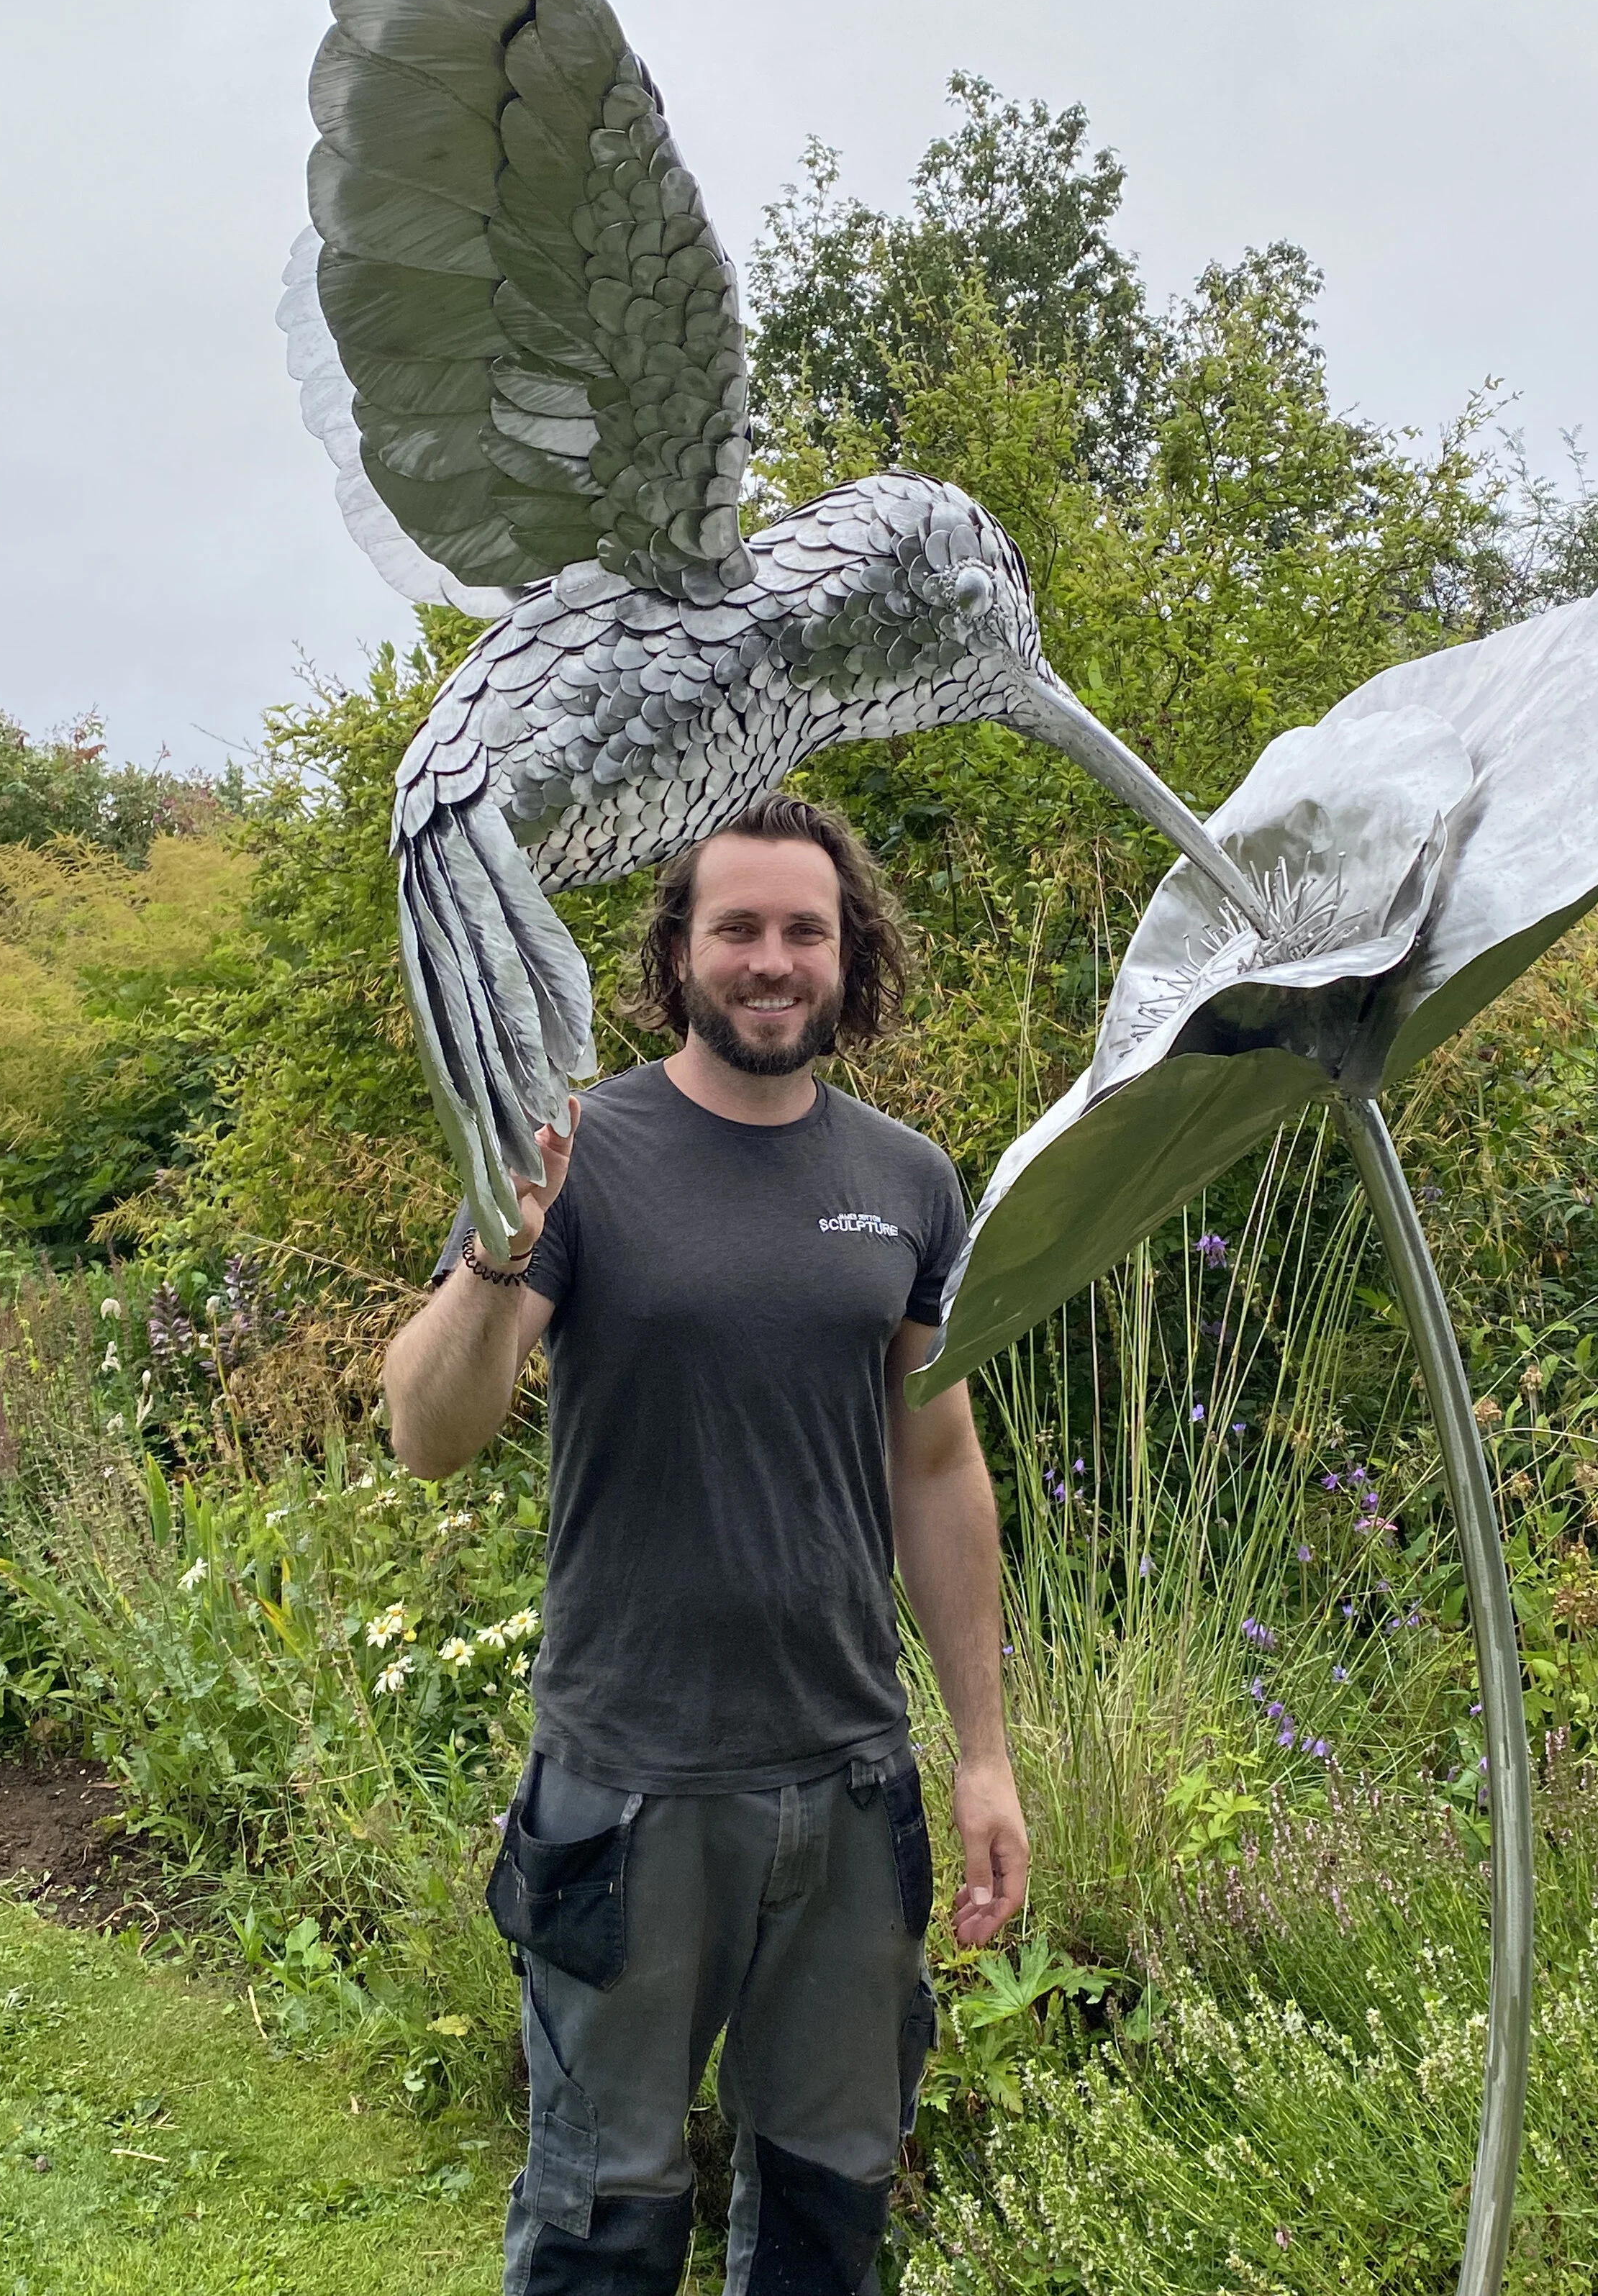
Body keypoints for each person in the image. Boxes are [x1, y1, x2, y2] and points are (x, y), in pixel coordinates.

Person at [383, 791, 1028, 2296]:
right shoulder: (574, 1149)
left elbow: (936, 1461)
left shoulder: (909, 1181)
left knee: (827, 2207)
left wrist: (982, 1750)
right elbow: (430, 1430)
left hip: (849, 1789)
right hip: (630, 1794)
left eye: (802, 928)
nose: (769, 958)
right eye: (734, 925)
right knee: (603, 2214)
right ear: (677, 950)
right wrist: (498, 1242)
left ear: (844, 950)